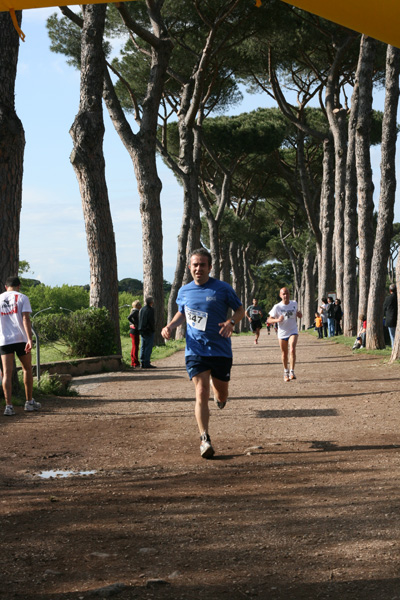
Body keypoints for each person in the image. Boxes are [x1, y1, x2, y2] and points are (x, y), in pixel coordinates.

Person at [161, 248, 244, 459]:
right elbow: (182, 312)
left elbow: (240, 310)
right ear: (189, 267)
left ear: (209, 267)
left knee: (221, 393)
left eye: (202, 265)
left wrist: (231, 322)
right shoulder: (184, 291)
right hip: (195, 349)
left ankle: (221, 398)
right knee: (201, 392)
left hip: (220, 350)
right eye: (194, 265)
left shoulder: (223, 289)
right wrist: (170, 326)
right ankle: (204, 438)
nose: (198, 268)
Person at [0, 276, 40, 416]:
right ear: (19, 286)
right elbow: (25, 318)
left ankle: (8, 406)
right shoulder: (22, 297)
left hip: (4, 340)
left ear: (6, 287)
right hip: (21, 339)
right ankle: (29, 402)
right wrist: (30, 339)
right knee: (27, 369)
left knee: (6, 373)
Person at [267, 287, 302, 382]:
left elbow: (297, 313)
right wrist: (277, 320)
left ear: (289, 294)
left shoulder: (294, 303)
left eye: (287, 293)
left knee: (292, 349)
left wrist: (299, 314)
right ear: (280, 295)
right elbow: (269, 319)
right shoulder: (277, 307)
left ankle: (292, 371)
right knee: (284, 353)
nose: (285, 295)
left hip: (293, 330)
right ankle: (285, 371)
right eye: (283, 294)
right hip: (282, 332)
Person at [139, 297, 156, 369]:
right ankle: (147, 362)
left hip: (142, 329)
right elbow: (151, 321)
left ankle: (142, 362)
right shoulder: (151, 310)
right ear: (151, 302)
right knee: (148, 347)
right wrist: (153, 329)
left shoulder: (142, 309)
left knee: (143, 346)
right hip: (148, 330)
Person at [127, 300, 141, 367]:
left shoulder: (133, 310)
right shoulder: (136, 311)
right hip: (135, 331)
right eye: (139, 304)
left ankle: (133, 362)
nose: (141, 305)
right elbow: (129, 318)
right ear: (137, 305)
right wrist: (134, 323)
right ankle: (135, 362)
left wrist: (132, 323)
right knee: (135, 347)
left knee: (134, 346)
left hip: (132, 331)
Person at [383, 283, 397, 347]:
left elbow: (384, 308)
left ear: (390, 290)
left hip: (390, 319)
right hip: (396, 318)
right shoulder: (397, 298)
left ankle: (393, 348)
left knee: (393, 336)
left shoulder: (388, 298)